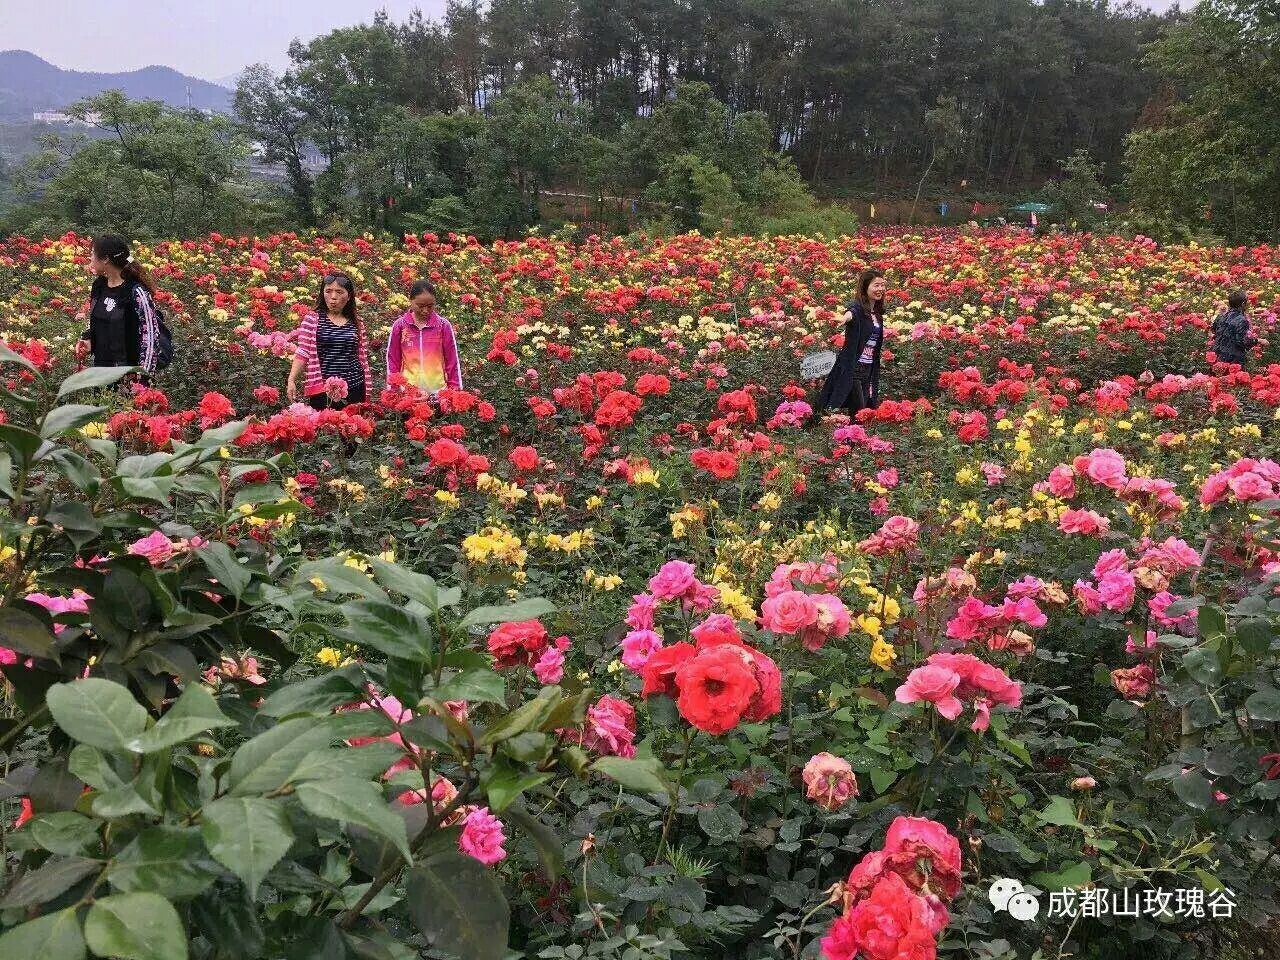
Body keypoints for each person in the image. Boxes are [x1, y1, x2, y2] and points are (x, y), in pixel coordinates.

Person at [74, 235, 162, 377]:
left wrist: (141, 382)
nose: (90, 258)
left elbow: (150, 339)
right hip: (101, 375)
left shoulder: (136, 292)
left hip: (127, 378)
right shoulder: (99, 286)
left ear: (105, 259)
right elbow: (98, 320)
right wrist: (89, 340)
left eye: (92, 254)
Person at [286, 272, 373, 410]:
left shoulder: (357, 322)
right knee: (324, 428)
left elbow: (362, 357)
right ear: (323, 293)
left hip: (355, 387)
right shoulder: (312, 320)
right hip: (323, 390)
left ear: (349, 296)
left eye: (339, 292)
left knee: (353, 427)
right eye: (328, 291)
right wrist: (291, 379)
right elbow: (303, 352)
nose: (333, 297)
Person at [816, 268, 886, 416]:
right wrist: (844, 318)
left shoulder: (877, 315)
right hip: (854, 368)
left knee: (865, 412)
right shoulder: (858, 309)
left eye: (882, 285)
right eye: (876, 285)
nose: (880, 289)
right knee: (859, 412)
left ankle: (852, 437)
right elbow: (851, 313)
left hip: (869, 369)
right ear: (865, 287)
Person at [386, 279, 462, 394]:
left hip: (438, 393)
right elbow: (393, 359)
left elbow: (452, 360)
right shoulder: (400, 326)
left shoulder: (443, 326)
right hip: (408, 393)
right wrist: (393, 389)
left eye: (430, 306)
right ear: (410, 300)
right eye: (420, 306)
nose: (425, 310)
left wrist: (454, 390)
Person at [1210, 290, 1258, 366]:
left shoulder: (1221, 316)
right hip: (1232, 360)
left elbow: (1213, 330)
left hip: (1217, 356)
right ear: (1243, 304)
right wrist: (1257, 340)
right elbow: (1242, 342)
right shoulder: (1242, 320)